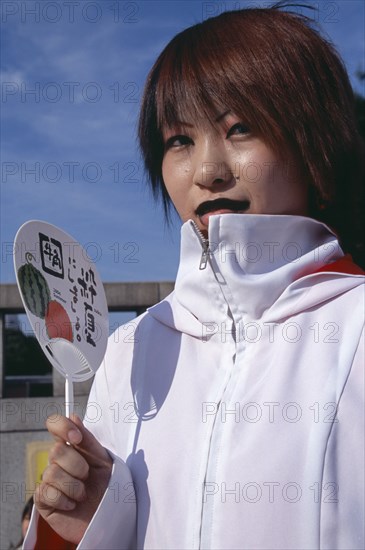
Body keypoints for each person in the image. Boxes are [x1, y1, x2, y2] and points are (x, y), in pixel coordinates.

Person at [24, 3, 364, 549]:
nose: (207, 170)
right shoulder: (130, 349)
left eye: (241, 128)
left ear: (313, 144)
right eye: (179, 140)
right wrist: (91, 524)